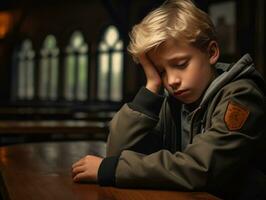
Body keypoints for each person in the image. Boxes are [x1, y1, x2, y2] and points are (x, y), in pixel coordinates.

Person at [72, 0, 266, 199]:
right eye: (161, 70)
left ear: (211, 52)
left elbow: (201, 168)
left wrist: (113, 170)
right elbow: (117, 154)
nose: (172, 81)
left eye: (181, 64)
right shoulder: (173, 102)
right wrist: (151, 86)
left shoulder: (241, 96)